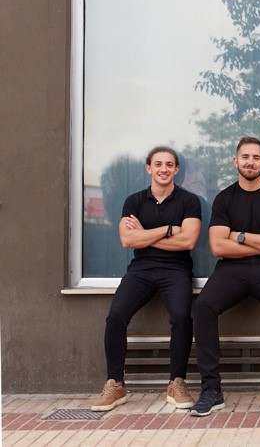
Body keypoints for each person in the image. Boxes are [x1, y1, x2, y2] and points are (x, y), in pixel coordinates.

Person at [190, 137, 260, 416]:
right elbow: (218, 247)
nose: (250, 162)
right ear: (235, 161)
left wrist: (240, 236)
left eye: (256, 157)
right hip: (231, 269)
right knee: (203, 305)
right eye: (245, 157)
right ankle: (211, 389)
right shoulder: (224, 198)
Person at [92, 146, 202, 412]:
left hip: (176, 270)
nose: (164, 169)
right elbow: (127, 239)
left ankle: (177, 382)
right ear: (149, 168)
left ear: (176, 169)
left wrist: (146, 235)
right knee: (116, 316)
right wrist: (168, 230)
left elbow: (188, 241)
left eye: (169, 165)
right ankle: (115, 383)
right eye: (158, 164)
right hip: (140, 270)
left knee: (181, 316)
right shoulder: (134, 201)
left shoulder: (190, 201)